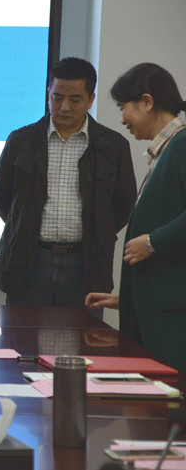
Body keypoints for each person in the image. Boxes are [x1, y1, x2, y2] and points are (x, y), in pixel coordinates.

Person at [0, 57, 136, 312]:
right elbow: (0, 196)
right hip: (30, 261)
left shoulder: (113, 146)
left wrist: (97, 231)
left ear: (90, 99)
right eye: (57, 97)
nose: (64, 107)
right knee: (23, 334)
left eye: (75, 99)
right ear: (48, 93)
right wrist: (25, 226)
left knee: (84, 335)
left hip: (86, 263)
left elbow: (124, 204)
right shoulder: (21, 140)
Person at [86, 63, 186, 372]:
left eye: (122, 107)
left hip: (170, 321)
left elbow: (158, 240)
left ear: (146, 102)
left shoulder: (182, 144)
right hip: (153, 308)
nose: (122, 119)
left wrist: (154, 242)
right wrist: (127, 298)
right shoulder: (167, 149)